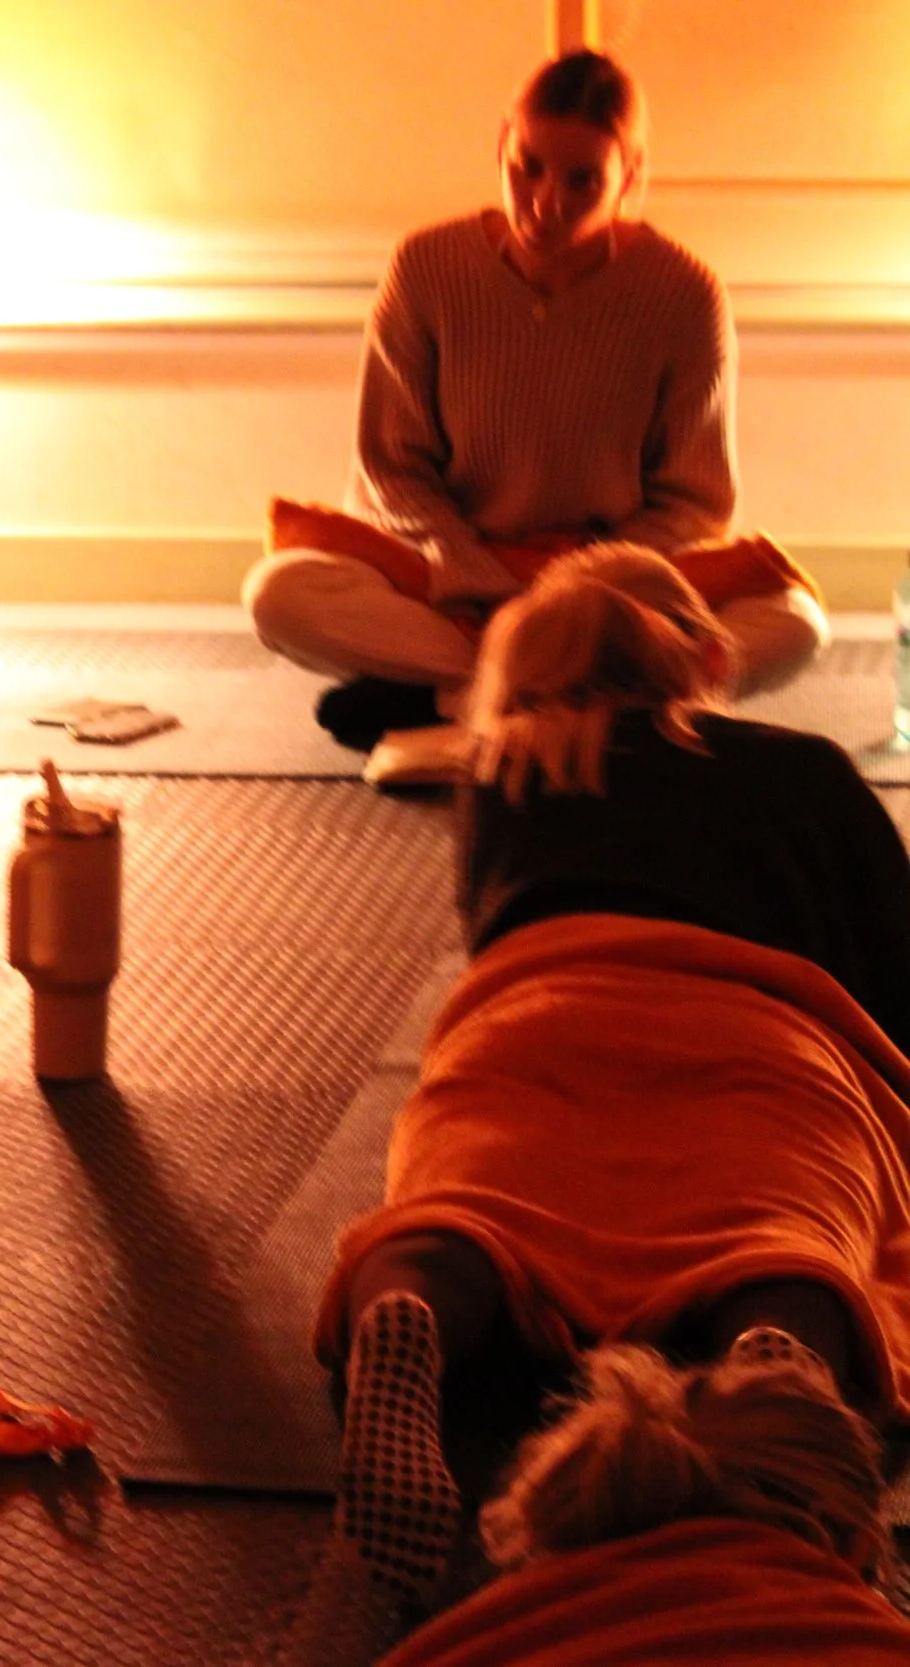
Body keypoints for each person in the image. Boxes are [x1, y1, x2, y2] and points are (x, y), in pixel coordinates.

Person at [305, 549, 910, 1618]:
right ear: (710, 655)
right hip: (760, 1042)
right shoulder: (802, 766)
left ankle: (408, 1308)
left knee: (467, 1207)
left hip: (531, 1031)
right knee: (785, 1231)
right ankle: (778, 1358)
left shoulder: (501, 773)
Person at [244, 49, 827, 769]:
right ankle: (590, 709)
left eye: (584, 179)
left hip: (606, 591)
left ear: (630, 178)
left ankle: (453, 708)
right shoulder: (427, 267)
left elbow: (693, 503)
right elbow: (391, 470)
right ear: (501, 148)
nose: (547, 201)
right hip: (453, 577)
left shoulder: (684, 295)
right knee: (279, 594)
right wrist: (487, 577)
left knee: (795, 623)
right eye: (528, 168)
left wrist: (567, 592)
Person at [375, 1341, 910, 1665]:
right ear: (856, 1546)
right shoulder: (871, 1643)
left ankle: (412, 1298)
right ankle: (787, 1322)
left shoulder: (461, 1643)